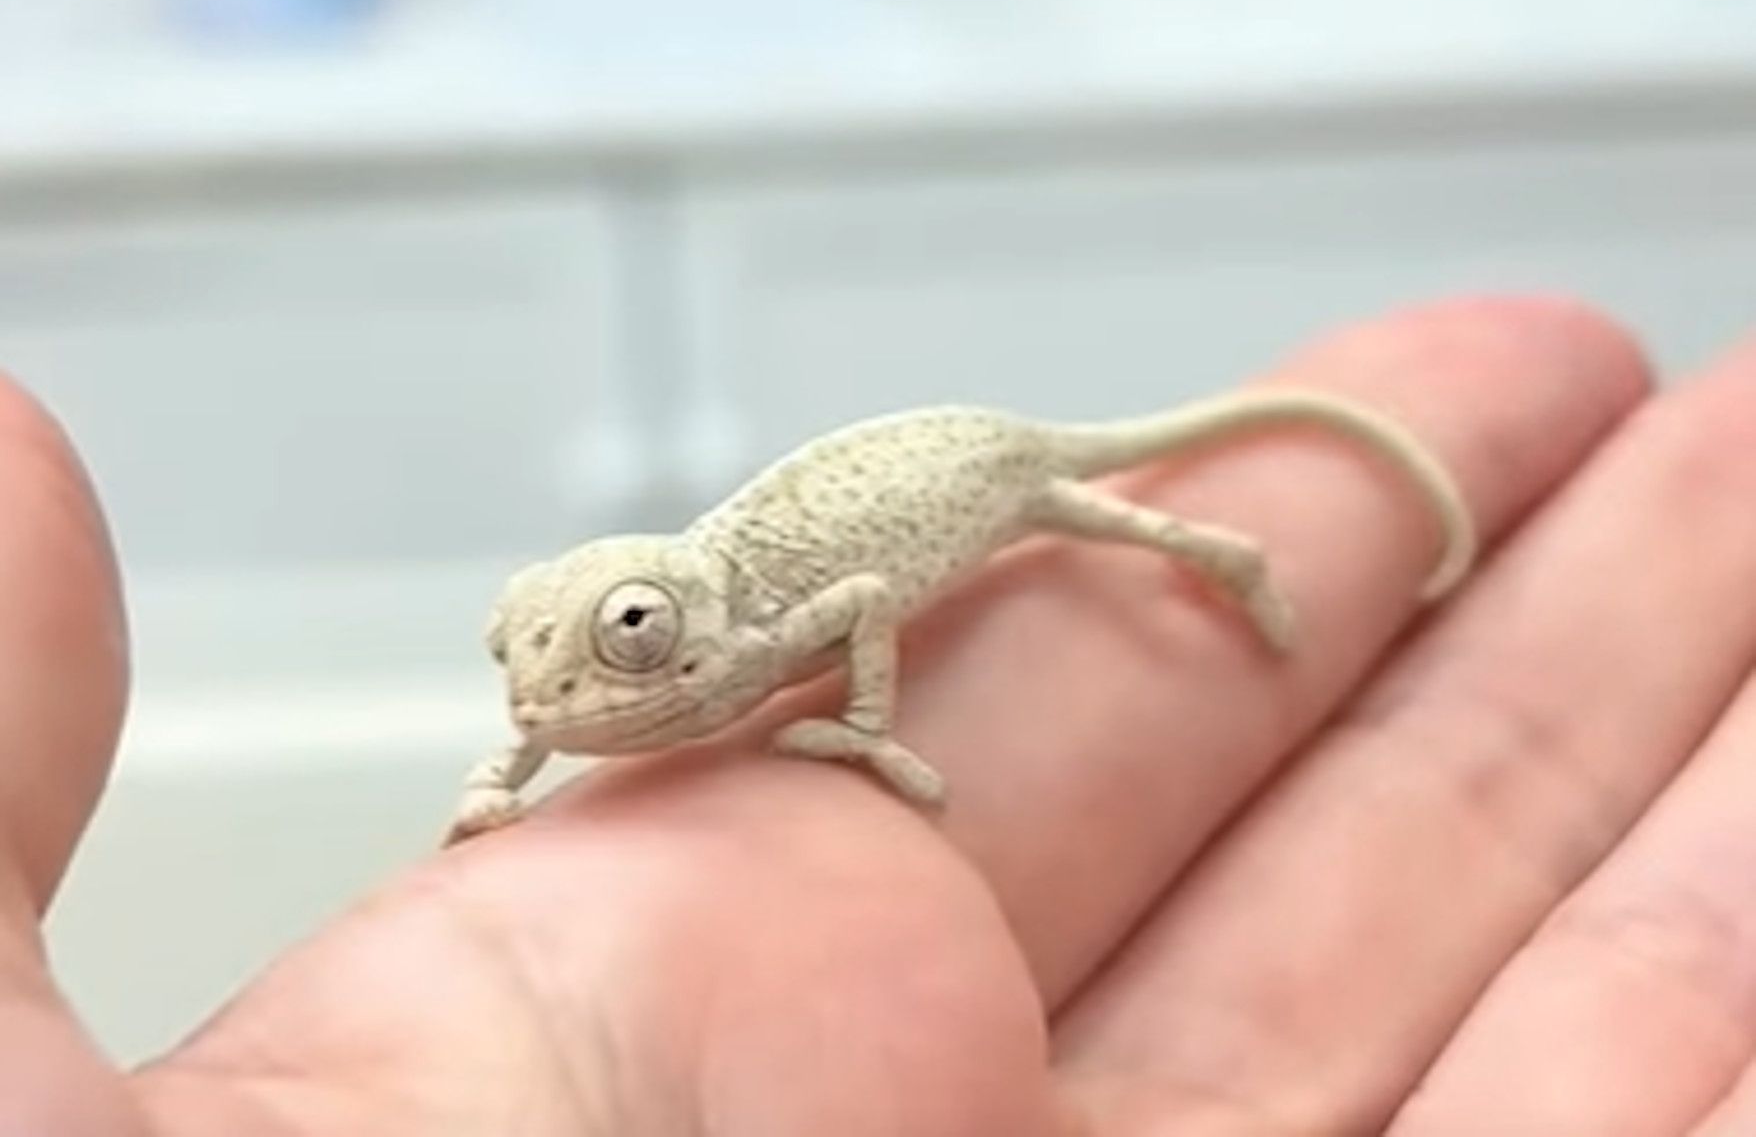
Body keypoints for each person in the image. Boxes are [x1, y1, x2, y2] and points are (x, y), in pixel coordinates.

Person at [5, 296, 1755, 1136]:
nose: (552, 701)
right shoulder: (635, 663)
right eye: (523, 664)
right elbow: (570, 705)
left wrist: (863, 732)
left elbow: (849, 609)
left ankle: (1221, 546)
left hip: (970, 471)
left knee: (1104, 517)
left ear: (672, 627)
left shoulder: (750, 620)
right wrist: (509, 764)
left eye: (615, 645)